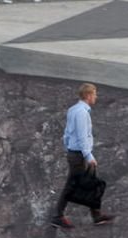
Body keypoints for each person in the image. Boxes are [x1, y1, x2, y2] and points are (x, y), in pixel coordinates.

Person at [51, 83, 114, 229]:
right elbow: (81, 136)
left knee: (87, 183)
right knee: (73, 186)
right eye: (94, 94)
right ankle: (57, 216)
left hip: (74, 154)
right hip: (79, 155)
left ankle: (96, 216)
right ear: (88, 95)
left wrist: (68, 148)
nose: (96, 97)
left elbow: (66, 134)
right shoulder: (82, 113)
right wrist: (88, 155)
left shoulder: (73, 110)